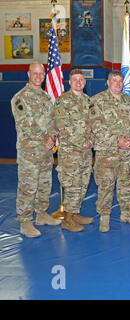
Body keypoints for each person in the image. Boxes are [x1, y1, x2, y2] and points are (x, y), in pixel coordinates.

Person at [10, 62, 61, 238]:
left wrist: (52, 137)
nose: (38, 76)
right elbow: (25, 125)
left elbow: (54, 121)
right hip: (29, 152)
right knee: (28, 186)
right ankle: (25, 221)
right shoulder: (20, 98)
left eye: (41, 73)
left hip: (46, 151)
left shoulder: (46, 98)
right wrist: (45, 139)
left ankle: (41, 214)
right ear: (28, 74)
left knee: (44, 185)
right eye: (35, 73)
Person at [89, 70, 130, 232]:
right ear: (108, 83)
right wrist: (117, 141)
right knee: (106, 184)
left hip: (126, 153)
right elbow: (96, 126)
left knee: (126, 183)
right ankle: (104, 216)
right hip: (107, 152)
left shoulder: (129, 101)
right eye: (114, 80)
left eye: (120, 81)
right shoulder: (97, 101)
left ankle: (126, 212)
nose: (118, 83)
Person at [53, 69, 94, 232]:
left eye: (81, 79)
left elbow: (94, 124)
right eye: (75, 79)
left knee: (83, 184)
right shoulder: (62, 101)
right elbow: (62, 126)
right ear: (69, 82)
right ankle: (67, 219)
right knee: (72, 185)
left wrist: (91, 140)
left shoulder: (88, 101)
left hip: (86, 152)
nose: (78, 82)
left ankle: (75, 213)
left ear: (84, 82)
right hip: (71, 153)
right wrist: (81, 142)